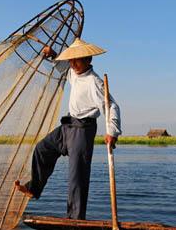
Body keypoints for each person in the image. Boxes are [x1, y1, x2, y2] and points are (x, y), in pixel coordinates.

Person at [15, 38, 121, 220]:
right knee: (42, 149)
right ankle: (34, 188)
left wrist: (112, 132)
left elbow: (111, 106)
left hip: (83, 130)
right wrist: (52, 55)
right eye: (71, 60)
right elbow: (63, 68)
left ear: (88, 60)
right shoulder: (74, 72)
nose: (72, 63)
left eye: (76, 60)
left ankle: (75, 219)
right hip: (67, 127)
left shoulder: (94, 82)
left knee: (76, 177)